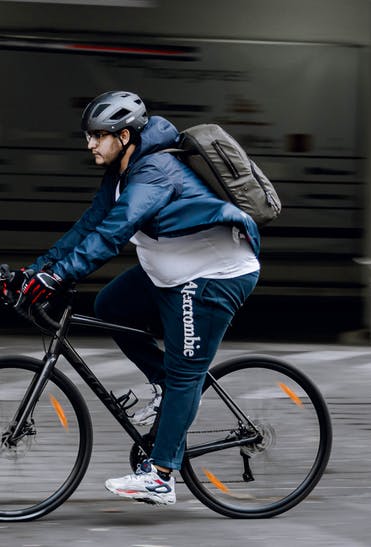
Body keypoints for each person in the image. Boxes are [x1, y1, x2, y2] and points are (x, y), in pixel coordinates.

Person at [16, 90, 261, 506]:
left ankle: (162, 475)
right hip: (170, 272)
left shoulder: (155, 172)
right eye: (88, 136)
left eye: (97, 136)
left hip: (212, 276)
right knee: (111, 305)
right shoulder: (120, 173)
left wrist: (58, 276)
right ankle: (165, 386)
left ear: (125, 135)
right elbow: (87, 228)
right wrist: (37, 270)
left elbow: (114, 233)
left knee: (186, 372)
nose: (89, 144)